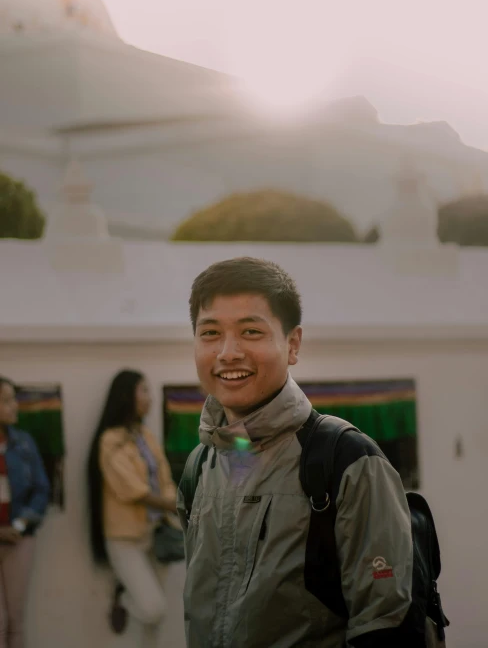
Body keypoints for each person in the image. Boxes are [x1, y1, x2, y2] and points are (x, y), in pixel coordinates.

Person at [177, 257, 417, 648]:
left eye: (251, 331)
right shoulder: (199, 467)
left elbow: (385, 625)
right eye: (210, 333)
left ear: (292, 344)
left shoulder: (346, 460)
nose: (227, 352)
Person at [87, 369, 180, 648]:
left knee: (157, 620)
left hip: (156, 533)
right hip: (125, 538)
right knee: (152, 608)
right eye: (143, 390)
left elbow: (163, 478)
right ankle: (123, 598)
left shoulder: (146, 436)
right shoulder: (110, 440)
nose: (149, 397)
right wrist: (174, 505)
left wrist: (172, 502)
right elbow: (130, 489)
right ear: (126, 396)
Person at [0, 375, 50, 648]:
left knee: (16, 623)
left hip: (19, 540)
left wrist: (18, 526)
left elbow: (41, 490)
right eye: (6, 400)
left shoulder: (24, 443)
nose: (14, 406)